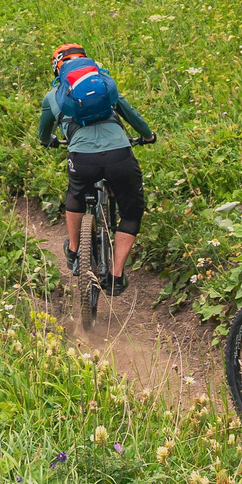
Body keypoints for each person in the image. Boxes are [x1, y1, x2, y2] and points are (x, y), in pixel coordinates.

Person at [37, 43, 155, 295]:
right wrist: (147, 136)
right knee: (132, 211)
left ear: (57, 68)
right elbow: (132, 115)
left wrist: (49, 142)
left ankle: (73, 249)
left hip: (82, 159)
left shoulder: (54, 96)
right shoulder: (106, 88)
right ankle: (116, 276)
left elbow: (43, 134)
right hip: (119, 157)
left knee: (75, 193)